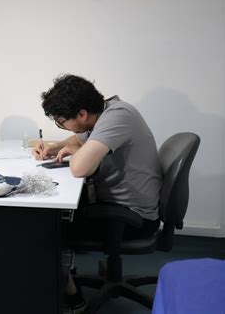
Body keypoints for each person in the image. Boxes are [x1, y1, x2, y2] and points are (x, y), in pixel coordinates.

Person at [33, 74, 162, 313]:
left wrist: (74, 150)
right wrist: (58, 147)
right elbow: (78, 138)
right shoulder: (105, 111)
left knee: (44, 227)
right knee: (59, 212)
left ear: (82, 114)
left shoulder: (118, 117)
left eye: (62, 122)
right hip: (121, 207)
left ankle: (73, 297)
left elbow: (80, 168)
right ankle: (66, 274)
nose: (62, 127)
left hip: (132, 219)